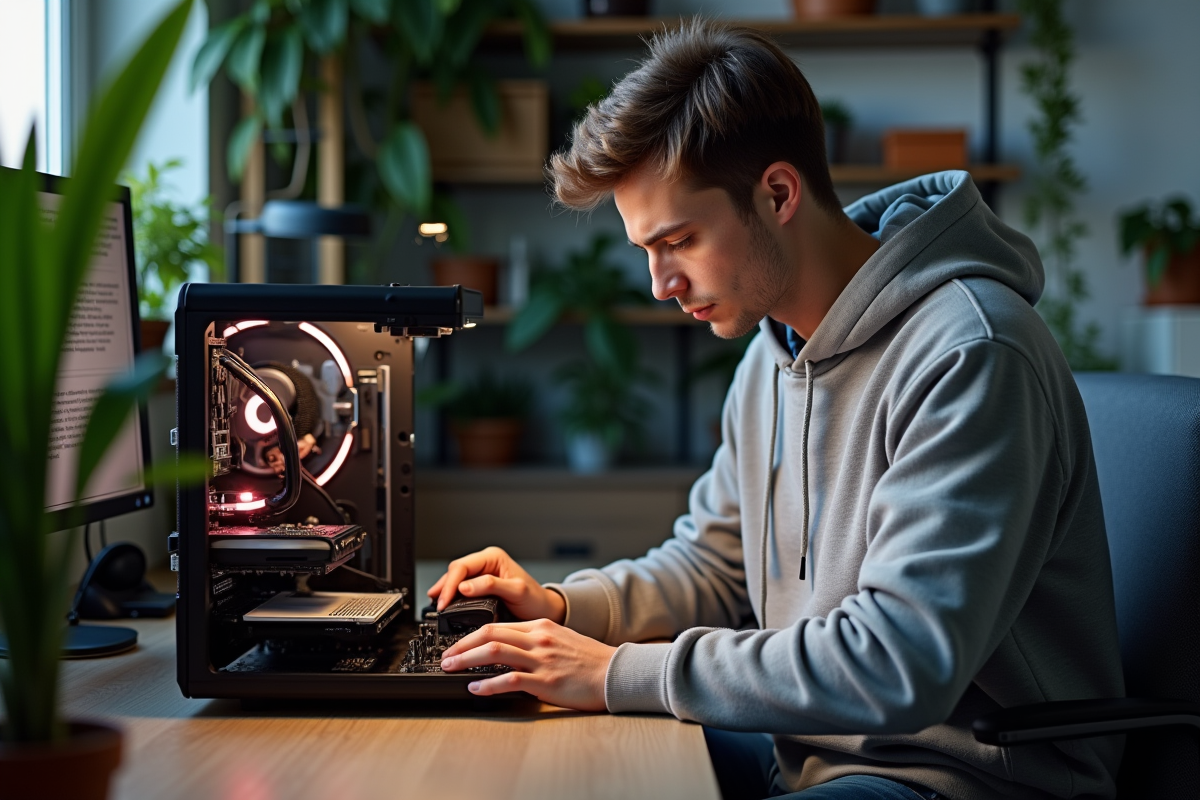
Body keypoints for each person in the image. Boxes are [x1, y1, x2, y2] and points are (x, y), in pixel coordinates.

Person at [430, 19, 1124, 800]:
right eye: (645, 251)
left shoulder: (971, 352)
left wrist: (617, 672)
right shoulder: (775, 351)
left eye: (680, 240)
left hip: (961, 778)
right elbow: (718, 567)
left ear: (779, 193)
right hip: (808, 751)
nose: (660, 284)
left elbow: (899, 664)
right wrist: (564, 607)